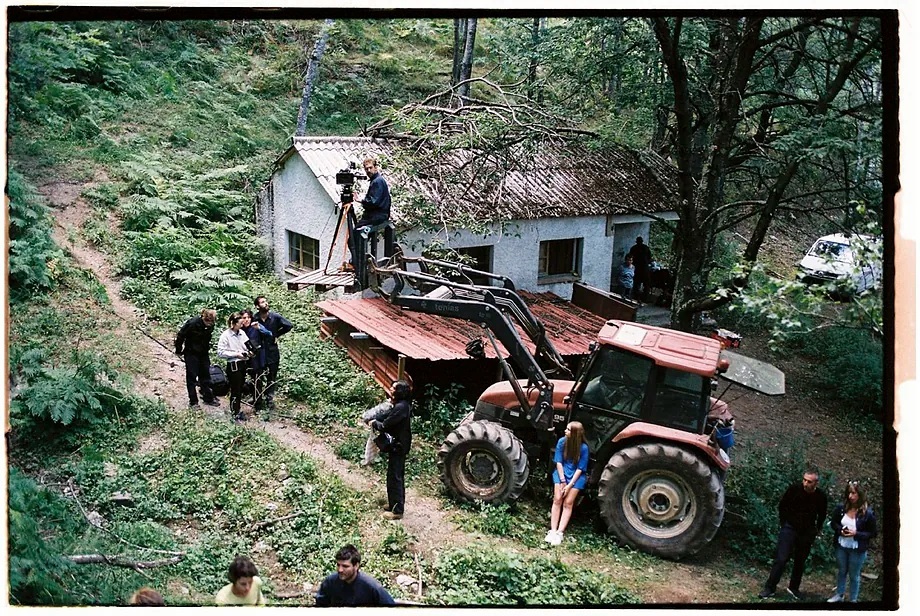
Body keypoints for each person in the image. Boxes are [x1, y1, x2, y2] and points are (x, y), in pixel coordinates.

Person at [759, 469, 828, 600]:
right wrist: (784, 523)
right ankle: (770, 588)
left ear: (816, 483)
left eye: (809, 481)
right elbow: (782, 506)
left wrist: (816, 530)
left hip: (807, 532)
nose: (805, 483)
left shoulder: (821, 496)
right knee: (781, 558)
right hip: (790, 528)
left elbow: (822, 515)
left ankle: (794, 588)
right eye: (804, 480)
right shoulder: (794, 489)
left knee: (800, 561)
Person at [827, 481, 877, 603]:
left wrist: (856, 533)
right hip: (841, 545)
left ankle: (853, 599)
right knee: (842, 571)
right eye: (849, 493)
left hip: (857, 548)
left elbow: (873, 533)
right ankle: (840, 594)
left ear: (860, 495)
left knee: (854, 575)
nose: (851, 496)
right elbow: (834, 523)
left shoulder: (868, 514)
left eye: (854, 493)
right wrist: (840, 530)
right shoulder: (841, 508)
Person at [370, 380, 412, 520]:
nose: (390, 389)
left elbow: (386, 424)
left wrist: (375, 423)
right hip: (399, 445)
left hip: (399, 446)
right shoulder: (401, 406)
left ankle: (397, 511)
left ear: (399, 392)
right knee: (393, 475)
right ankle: (394, 504)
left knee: (395, 477)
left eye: (393, 388)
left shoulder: (401, 408)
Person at [545, 421, 590, 546]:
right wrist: (563, 480)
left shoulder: (584, 448)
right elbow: (558, 462)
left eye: (568, 430)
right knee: (557, 499)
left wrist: (570, 485)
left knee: (568, 502)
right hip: (562, 473)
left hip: (576, 476)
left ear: (575, 434)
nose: (565, 431)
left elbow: (580, 468)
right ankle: (552, 530)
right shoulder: (561, 442)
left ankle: (560, 532)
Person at [346, 157, 391, 270]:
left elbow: (373, 202)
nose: (368, 171)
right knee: (358, 236)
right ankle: (358, 262)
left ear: (375, 168)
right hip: (379, 214)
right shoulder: (377, 180)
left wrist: (360, 200)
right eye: (366, 169)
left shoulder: (377, 181)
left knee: (354, 236)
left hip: (377, 215)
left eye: (370, 168)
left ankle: (357, 264)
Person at [314, 544, 395, 606]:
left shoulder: (372, 587)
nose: (340, 570)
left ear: (356, 566)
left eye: (345, 566)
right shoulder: (330, 582)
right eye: (338, 565)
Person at [252, 296, 294, 415]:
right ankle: (257, 398)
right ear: (257, 306)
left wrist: (277, 334)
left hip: (272, 351)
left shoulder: (275, 317)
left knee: (271, 376)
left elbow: (288, 325)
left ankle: (269, 398)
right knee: (258, 375)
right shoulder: (255, 318)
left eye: (266, 301)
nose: (266, 303)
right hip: (260, 351)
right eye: (262, 302)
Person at [175, 308, 220, 408]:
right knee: (191, 377)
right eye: (208, 322)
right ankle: (193, 402)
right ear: (204, 318)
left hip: (203, 353)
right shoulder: (192, 323)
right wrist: (179, 350)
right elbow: (181, 335)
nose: (209, 324)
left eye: (211, 323)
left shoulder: (210, 326)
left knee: (205, 376)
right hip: (191, 352)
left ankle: (208, 397)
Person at [217, 312, 252, 423]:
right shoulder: (226, 335)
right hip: (234, 365)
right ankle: (234, 413)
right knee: (235, 390)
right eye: (240, 323)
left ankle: (237, 410)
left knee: (240, 388)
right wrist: (236, 354)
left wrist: (250, 352)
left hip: (242, 364)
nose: (242, 325)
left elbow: (247, 345)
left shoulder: (241, 333)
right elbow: (220, 352)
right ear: (233, 323)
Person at [241, 309, 273, 416]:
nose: (246, 320)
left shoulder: (255, 327)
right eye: (244, 318)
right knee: (246, 379)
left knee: (257, 380)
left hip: (256, 357)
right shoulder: (240, 329)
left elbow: (269, 334)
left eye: (248, 317)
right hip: (243, 357)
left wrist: (259, 328)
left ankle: (258, 405)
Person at [627, 236, 652, 302]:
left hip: (638, 268)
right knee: (646, 284)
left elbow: (630, 257)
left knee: (637, 283)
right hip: (644, 268)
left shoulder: (634, 248)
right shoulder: (646, 248)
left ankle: (637, 297)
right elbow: (649, 258)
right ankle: (644, 298)